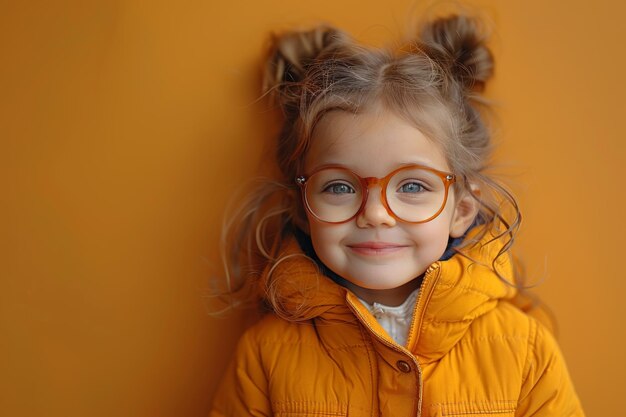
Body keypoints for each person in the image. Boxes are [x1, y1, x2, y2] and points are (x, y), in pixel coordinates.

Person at [209, 13, 585, 417]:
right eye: (339, 186)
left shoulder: (526, 350)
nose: (375, 214)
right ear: (303, 209)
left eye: (412, 186)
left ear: (460, 210)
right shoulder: (264, 355)